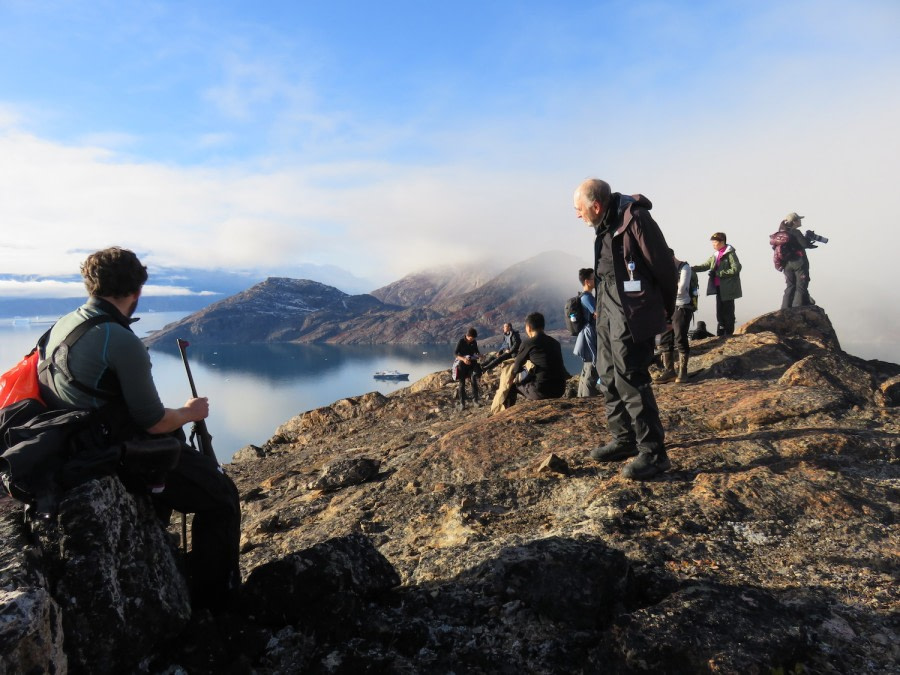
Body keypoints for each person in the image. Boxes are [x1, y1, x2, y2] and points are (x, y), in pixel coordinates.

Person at [39, 247, 241, 610]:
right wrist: (190, 412)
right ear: (137, 291)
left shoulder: (66, 323)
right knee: (222, 497)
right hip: (113, 453)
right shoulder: (120, 340)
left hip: (75, 441)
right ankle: (216, 603)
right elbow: (153, 421)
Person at [574, 179, 677, 480]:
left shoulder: (636, 219)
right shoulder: (605, 224)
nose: (577, 215)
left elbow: (664, 268)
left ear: (595, 206)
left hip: (631, 313)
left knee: (631, 376)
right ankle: (623, 438)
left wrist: (665, 313)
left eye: (579, 209)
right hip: (606, 311)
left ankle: (654, 453)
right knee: (607, 373)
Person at [505, 312, 568, 405]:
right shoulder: (555, 343)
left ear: (528, 328)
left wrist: (509, 380)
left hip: (542, 391)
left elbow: (517, 367)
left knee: (511, 387)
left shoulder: (528, 343)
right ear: (543, 327)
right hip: (560, 389)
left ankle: (507, 415)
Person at [655, 250, 694, 384]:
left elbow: (682, 289)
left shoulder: (685, 268)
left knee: (680, 337)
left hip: (681, 306)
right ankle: (669, 371)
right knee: (665, 338)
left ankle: (683, 371)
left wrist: (667, 290)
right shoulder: (665, 270)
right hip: (667, 306)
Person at [692, 232, 742, 337]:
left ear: (722, 242)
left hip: (728, 288)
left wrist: (719, 273)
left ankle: (728, 333)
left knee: (728, 311)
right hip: (718, 288)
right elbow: (705, 265)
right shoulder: (716, 255)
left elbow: (736, 268)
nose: (713, 244)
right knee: (719, 311)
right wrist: (691, 268)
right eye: (712, 242)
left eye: (715, 242)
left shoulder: (730, 254)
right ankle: (720, 332)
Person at [779, 212, 815, 308]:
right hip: (799, 262)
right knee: (801, 286)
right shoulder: (796, 232)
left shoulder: (782, 232)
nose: (800, 220)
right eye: (799, 219)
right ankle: (796, 308)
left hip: (786, 264)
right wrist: (808, 239)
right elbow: (804, 244)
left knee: (790, 286)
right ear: (794, 222)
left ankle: (784, 309)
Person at [573, 268, 599, 397]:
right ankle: (588, 399)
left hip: (586, 333)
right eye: (594, 278)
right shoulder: (587, 298)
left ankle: (582, 398)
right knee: (591, 367)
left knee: (587, 368)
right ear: (587, 281)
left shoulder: (584, 297)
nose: (596, 281)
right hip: (590, 334)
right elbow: (597, 314)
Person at [453, 327, 482, 409]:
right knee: (462, 384)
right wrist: (463, 359)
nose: (472, 340)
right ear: (467, 336)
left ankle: (475, 401)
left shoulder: (474, 342)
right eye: (471, 338)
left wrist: (479, 355)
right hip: (462, 365)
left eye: (474, 338)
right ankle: (462, 403)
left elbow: (476, 351)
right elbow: (455, 354)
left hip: (472, 364)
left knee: (474, 380)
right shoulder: (461, 341)